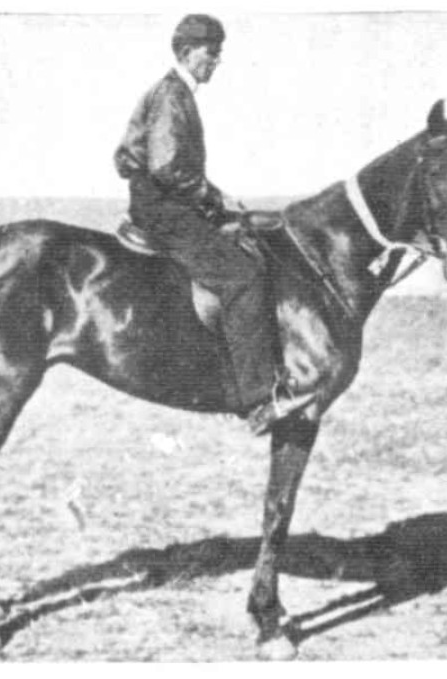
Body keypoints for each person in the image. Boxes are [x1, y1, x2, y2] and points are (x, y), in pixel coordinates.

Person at [114, 13, 315, 435]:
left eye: (219, 52)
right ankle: (258, 397)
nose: (216, 61)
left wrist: (215, 199)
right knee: (244, 274)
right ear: (187, 51)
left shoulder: (172, 93)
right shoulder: (172, 95)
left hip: (166, 200)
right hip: (163, 208)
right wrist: (212, 198)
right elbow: (167, 167)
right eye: (211, 52)